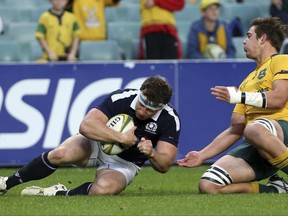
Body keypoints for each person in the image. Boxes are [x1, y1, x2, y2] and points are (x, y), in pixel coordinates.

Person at [0, 76, 181, 196]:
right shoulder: (123, 98)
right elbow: (86, 125)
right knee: (59, 154)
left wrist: (152, 154)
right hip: (96, 143)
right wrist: (120, 137)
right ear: (140, 93)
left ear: (161, 107)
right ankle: (7, 183)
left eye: (149, 110)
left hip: (125, 163)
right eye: (141, 104)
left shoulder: (170, 119)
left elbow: (165, 165)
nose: (142, 111)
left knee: (102, 190)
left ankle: (56, 192)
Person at [178, 16, 288, 194]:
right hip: (255, 142)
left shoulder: (282, 60)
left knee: (254, 129)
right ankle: (276, 190)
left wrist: (240, 96)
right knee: (208, 185)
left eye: (249, 35)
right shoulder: (247, 81)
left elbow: (278, 98)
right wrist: (202, 154)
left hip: (282, 130)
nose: (244, 40)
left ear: (262, 38)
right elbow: (235, 129)